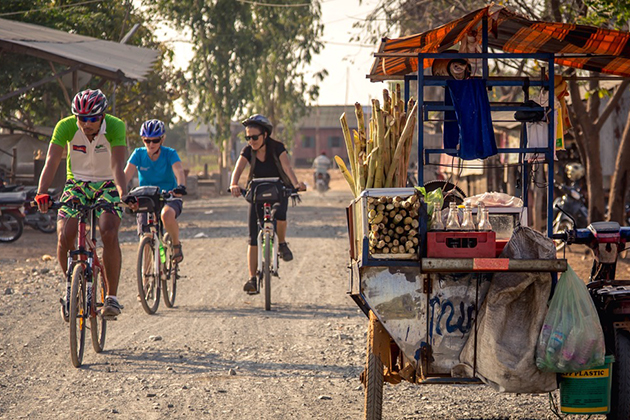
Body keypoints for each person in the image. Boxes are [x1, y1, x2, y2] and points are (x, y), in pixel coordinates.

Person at [35, 89, 127, 318]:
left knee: (108, 230)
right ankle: (71, 287)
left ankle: (112, 298)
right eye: (81, 118)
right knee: (64, 234)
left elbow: (117, 164)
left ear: (103, 116)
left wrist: (123, 193)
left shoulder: (116, 126)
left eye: (92, 119)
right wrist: (41, 192)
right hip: (76, 183)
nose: (86, 124)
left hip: (107, 183)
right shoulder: (65, 126)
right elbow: (52, 159)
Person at [229, 114, 306, 293]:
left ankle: (282, 243)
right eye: (247, 137)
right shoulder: (248, 150)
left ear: (265, 135)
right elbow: (238, 168)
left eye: (254, 137)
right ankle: (252, 279)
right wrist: (234, 184)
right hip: (257, 191)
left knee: (280, 215)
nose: (251, 141)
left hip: (278, 189)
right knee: (253, 236)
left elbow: (287, 167)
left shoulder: (277, 147)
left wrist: (295, 185)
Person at [124, 119, 187, 263]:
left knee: (166, 215)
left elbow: (179, 171)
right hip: (146, 197)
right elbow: (126, 175)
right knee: (145, 236)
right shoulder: (138, 154)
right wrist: (120, 192)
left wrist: (181, 186)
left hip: (169, 196)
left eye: (155, 140)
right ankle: (146, 281)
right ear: (142, 140)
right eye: (147, 141)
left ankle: (176, 244)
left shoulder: (170, 153)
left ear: (162, 139)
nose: (151, 144)